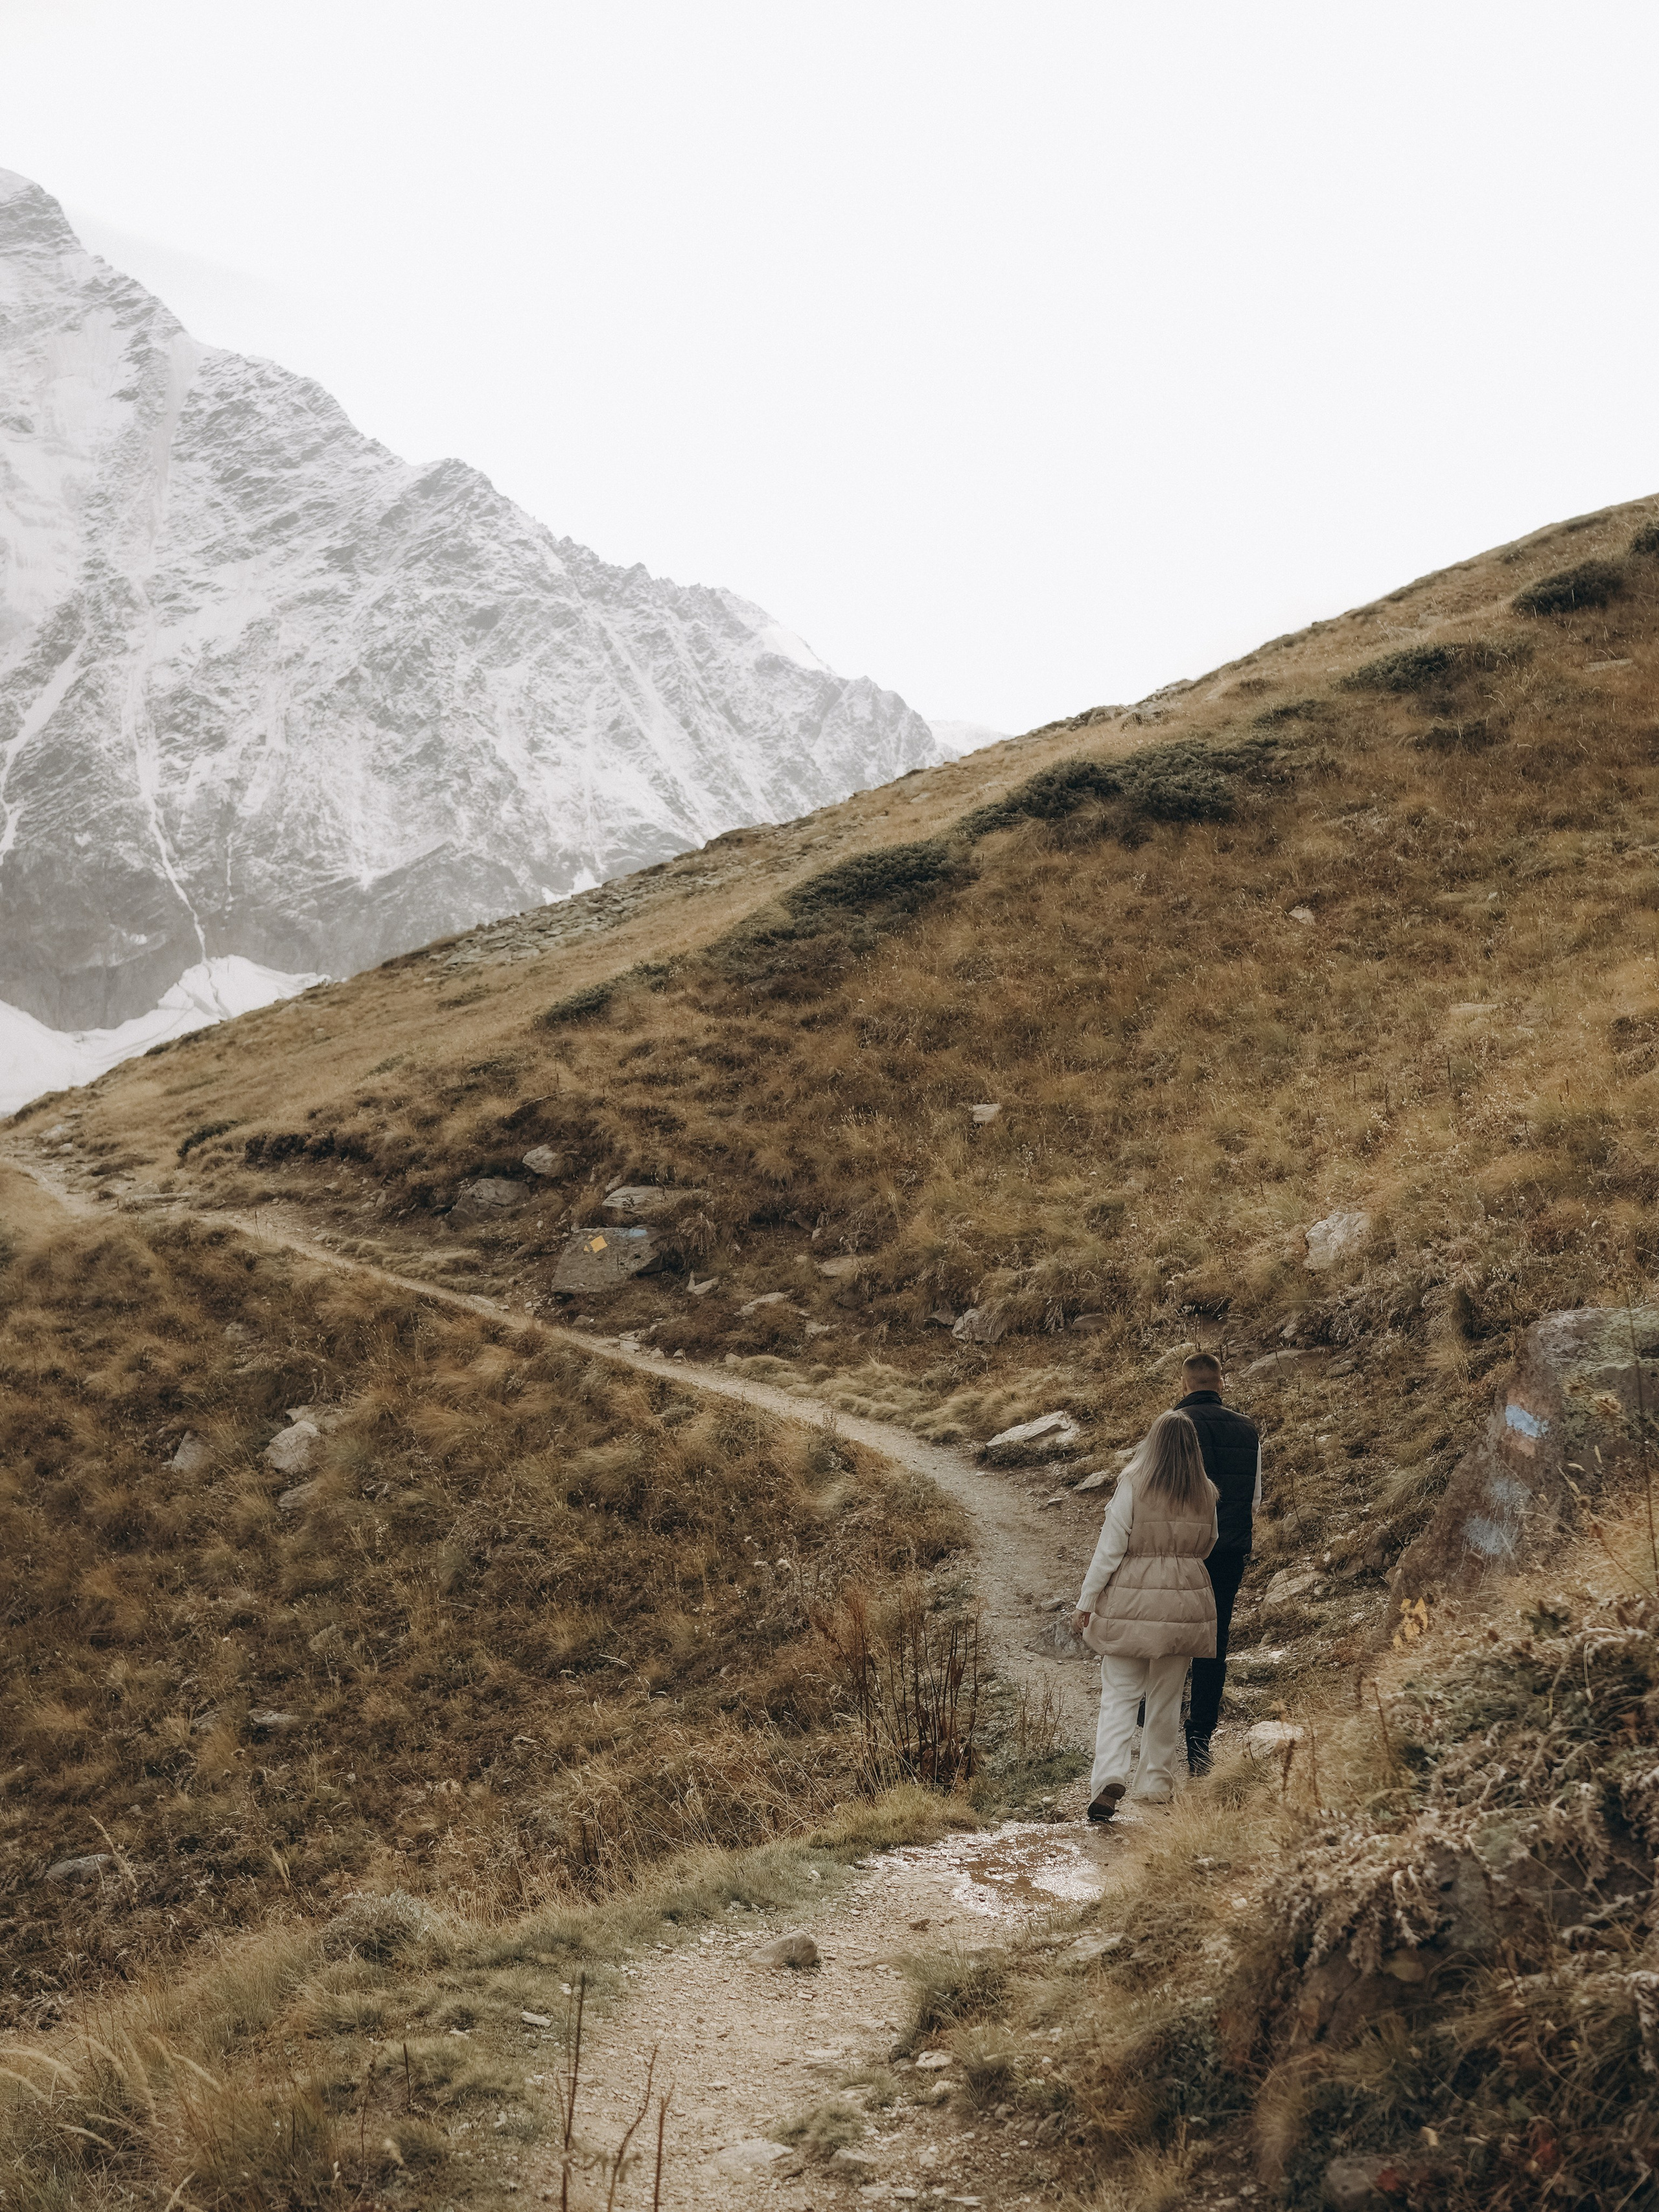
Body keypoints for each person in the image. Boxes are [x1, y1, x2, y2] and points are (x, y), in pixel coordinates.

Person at [1071, 1409, 1218, 1821]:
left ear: (1152, 1444)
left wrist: (1087, 1601)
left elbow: (1109, 1549)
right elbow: (1210, 1543)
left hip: (1132, 1598)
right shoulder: (1207, 1491)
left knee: (1119, 1694)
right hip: (1187, 1599)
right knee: (1167, 1698)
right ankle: (1156, 1783)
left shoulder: (1133, 1485)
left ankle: (1109, 1780)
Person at [1175, 1351, 1261, 1777]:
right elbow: (1256, 1498)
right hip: (1229, 1550)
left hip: (1182, 1548)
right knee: (1213, 1640)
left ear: (1184, 1384)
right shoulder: (1249, 1430)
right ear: (1221, 1383)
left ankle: (1153, 1714)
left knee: (1172, 1632)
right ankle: (1200, 1740)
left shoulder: (1172, 1427)